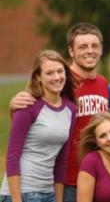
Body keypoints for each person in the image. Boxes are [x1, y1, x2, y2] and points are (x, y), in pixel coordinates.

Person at [9, 23, 110, 202]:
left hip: (97, 177)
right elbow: (33, 107)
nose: (90, 51)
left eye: (94, 46)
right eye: (82, 46)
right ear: (71, 51)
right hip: (67, 181)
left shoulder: (104, 84)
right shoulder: (59, 80)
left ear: (101, 49)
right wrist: (14, 104)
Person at [0, 50, 77, 202]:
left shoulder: (71, 109)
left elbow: (62, 160)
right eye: (49, 73)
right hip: (23, 193)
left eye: (60, 71)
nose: (56, 77)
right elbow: (12, 156)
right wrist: (17, 200)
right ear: (38, 77)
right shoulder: (28, 105)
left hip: (48, 193)